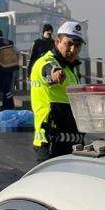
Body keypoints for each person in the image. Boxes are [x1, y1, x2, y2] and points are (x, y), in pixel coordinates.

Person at [29, 21, 85, 164]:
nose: (73, 50)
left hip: (70, 142)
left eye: (77, 45)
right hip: (51, 143)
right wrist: (55, 73)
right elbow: (48, 69)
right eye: (69, 44)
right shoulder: (46, 62)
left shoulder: (70, 69)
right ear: (57, 41)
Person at [0, 28, 19, 109]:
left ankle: (10, 105)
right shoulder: (10, 42)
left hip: (3, 68)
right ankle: (5, 104)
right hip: (12, 67)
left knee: (6, 88)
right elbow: (17, 51)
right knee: (8, 86)